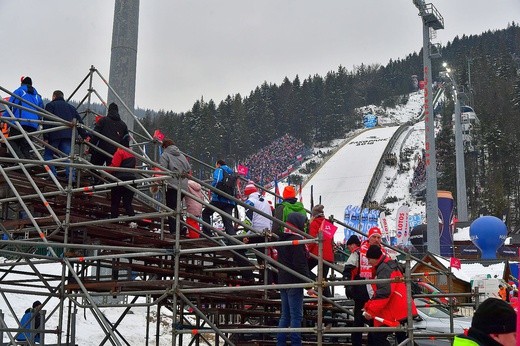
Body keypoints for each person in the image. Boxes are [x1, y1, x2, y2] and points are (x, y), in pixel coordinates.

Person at [363, 245, 416, 346]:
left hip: (395, 310)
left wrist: (370, 310)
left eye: (369, 259)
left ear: (375, 258)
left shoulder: (384, 268)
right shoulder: (387, 265)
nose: (368, 262)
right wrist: (368, 306)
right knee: (403, 338)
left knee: (378, 336)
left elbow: (384, 292)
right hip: (400, 308)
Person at [276, 212, 312, 346]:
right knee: (296, 316)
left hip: (283, 281)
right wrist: (309, 284)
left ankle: (281, 343)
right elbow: (300, 264)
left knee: (285, 316)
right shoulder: (297, 240)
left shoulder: (282, 239)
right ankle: (296, 343)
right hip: (294, 282)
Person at [43, 90, 88, 181]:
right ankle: (71, 177)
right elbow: (79, 122)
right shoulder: (71, 108)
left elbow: (47, 121)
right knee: (67, 157)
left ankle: (53, 175)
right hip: (68, 136)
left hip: (54, 135)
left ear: (54, 96)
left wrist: (46, 137)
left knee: (48, 155)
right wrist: (85, 135)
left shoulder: (50, 105)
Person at [242, 181, 273, 282]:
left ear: (247, 193)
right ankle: (266, 281)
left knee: (238, 249)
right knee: (263, 258)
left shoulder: (250, 202)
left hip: (256, 232)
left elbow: (248, 221)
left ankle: (248, 276)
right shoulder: (265, 201)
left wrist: (244, 235)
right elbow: (271, 219)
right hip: (266, 231)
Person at [159, 138, 191, 234]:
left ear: (164, 146)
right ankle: (182, 226)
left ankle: (174, 230)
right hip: (183, 185)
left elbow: (162, 169)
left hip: (172, 185)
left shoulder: (165, 155)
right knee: (177, 207)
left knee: (171, 208)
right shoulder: (181, 155)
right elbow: (188, 169)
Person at [6, 76, 44, 159]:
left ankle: (21, 162)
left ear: (22, 83)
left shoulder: (19, 91)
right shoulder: (38, 96)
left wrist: (4, 119)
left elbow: (11, 107)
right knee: (25, 146)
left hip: (19, 122)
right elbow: (41, 111)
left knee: (11, 142)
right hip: (33, 125)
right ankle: (27, 165)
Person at [342, 234, 369, 346]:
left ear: (353, 245)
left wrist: (348, 286)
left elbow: (347, 269)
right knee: (372, 319)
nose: (349, 249)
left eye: (349, 247)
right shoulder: (368, 251)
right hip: (372, 289)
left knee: (358, 320)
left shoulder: (356, 253)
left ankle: (356, 343)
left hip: (360, 290)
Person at [201, 160, 236, 237]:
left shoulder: (220, 170)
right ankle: (234, 242)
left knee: (206, 213)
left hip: (219, 199)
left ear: (218, 164)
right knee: (228, 222)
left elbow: (217, 180)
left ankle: (207, 233)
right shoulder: (232, 173)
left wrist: (212, 188)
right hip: (230, 201)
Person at [306, 204, 334, 297]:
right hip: (328, 255)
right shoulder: (328, 223)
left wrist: (306, 251)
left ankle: (316, 282)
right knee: (324, 279)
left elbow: (312, 240)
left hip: (316, 253)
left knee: (305, 269)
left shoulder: (314, 223)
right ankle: (328, 300)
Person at [89, 102, 128, 167]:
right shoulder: (123, 125)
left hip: (101, 150)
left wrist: (91, 148)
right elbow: (125, 142)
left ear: (109, 110)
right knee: (112, 173)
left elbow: (95, 136)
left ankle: (95, 176)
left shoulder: (103, 121)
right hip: (115, 153)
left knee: (95, 170)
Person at [107, 134, 136, 221]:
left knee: (115, 202)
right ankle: (133, 220)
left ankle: (114, 219)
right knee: (128, 203)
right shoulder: (132, 154)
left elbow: (114, 166)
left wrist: (103, 171)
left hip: (120, 179)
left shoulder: (120, 152)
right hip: (132, 179)